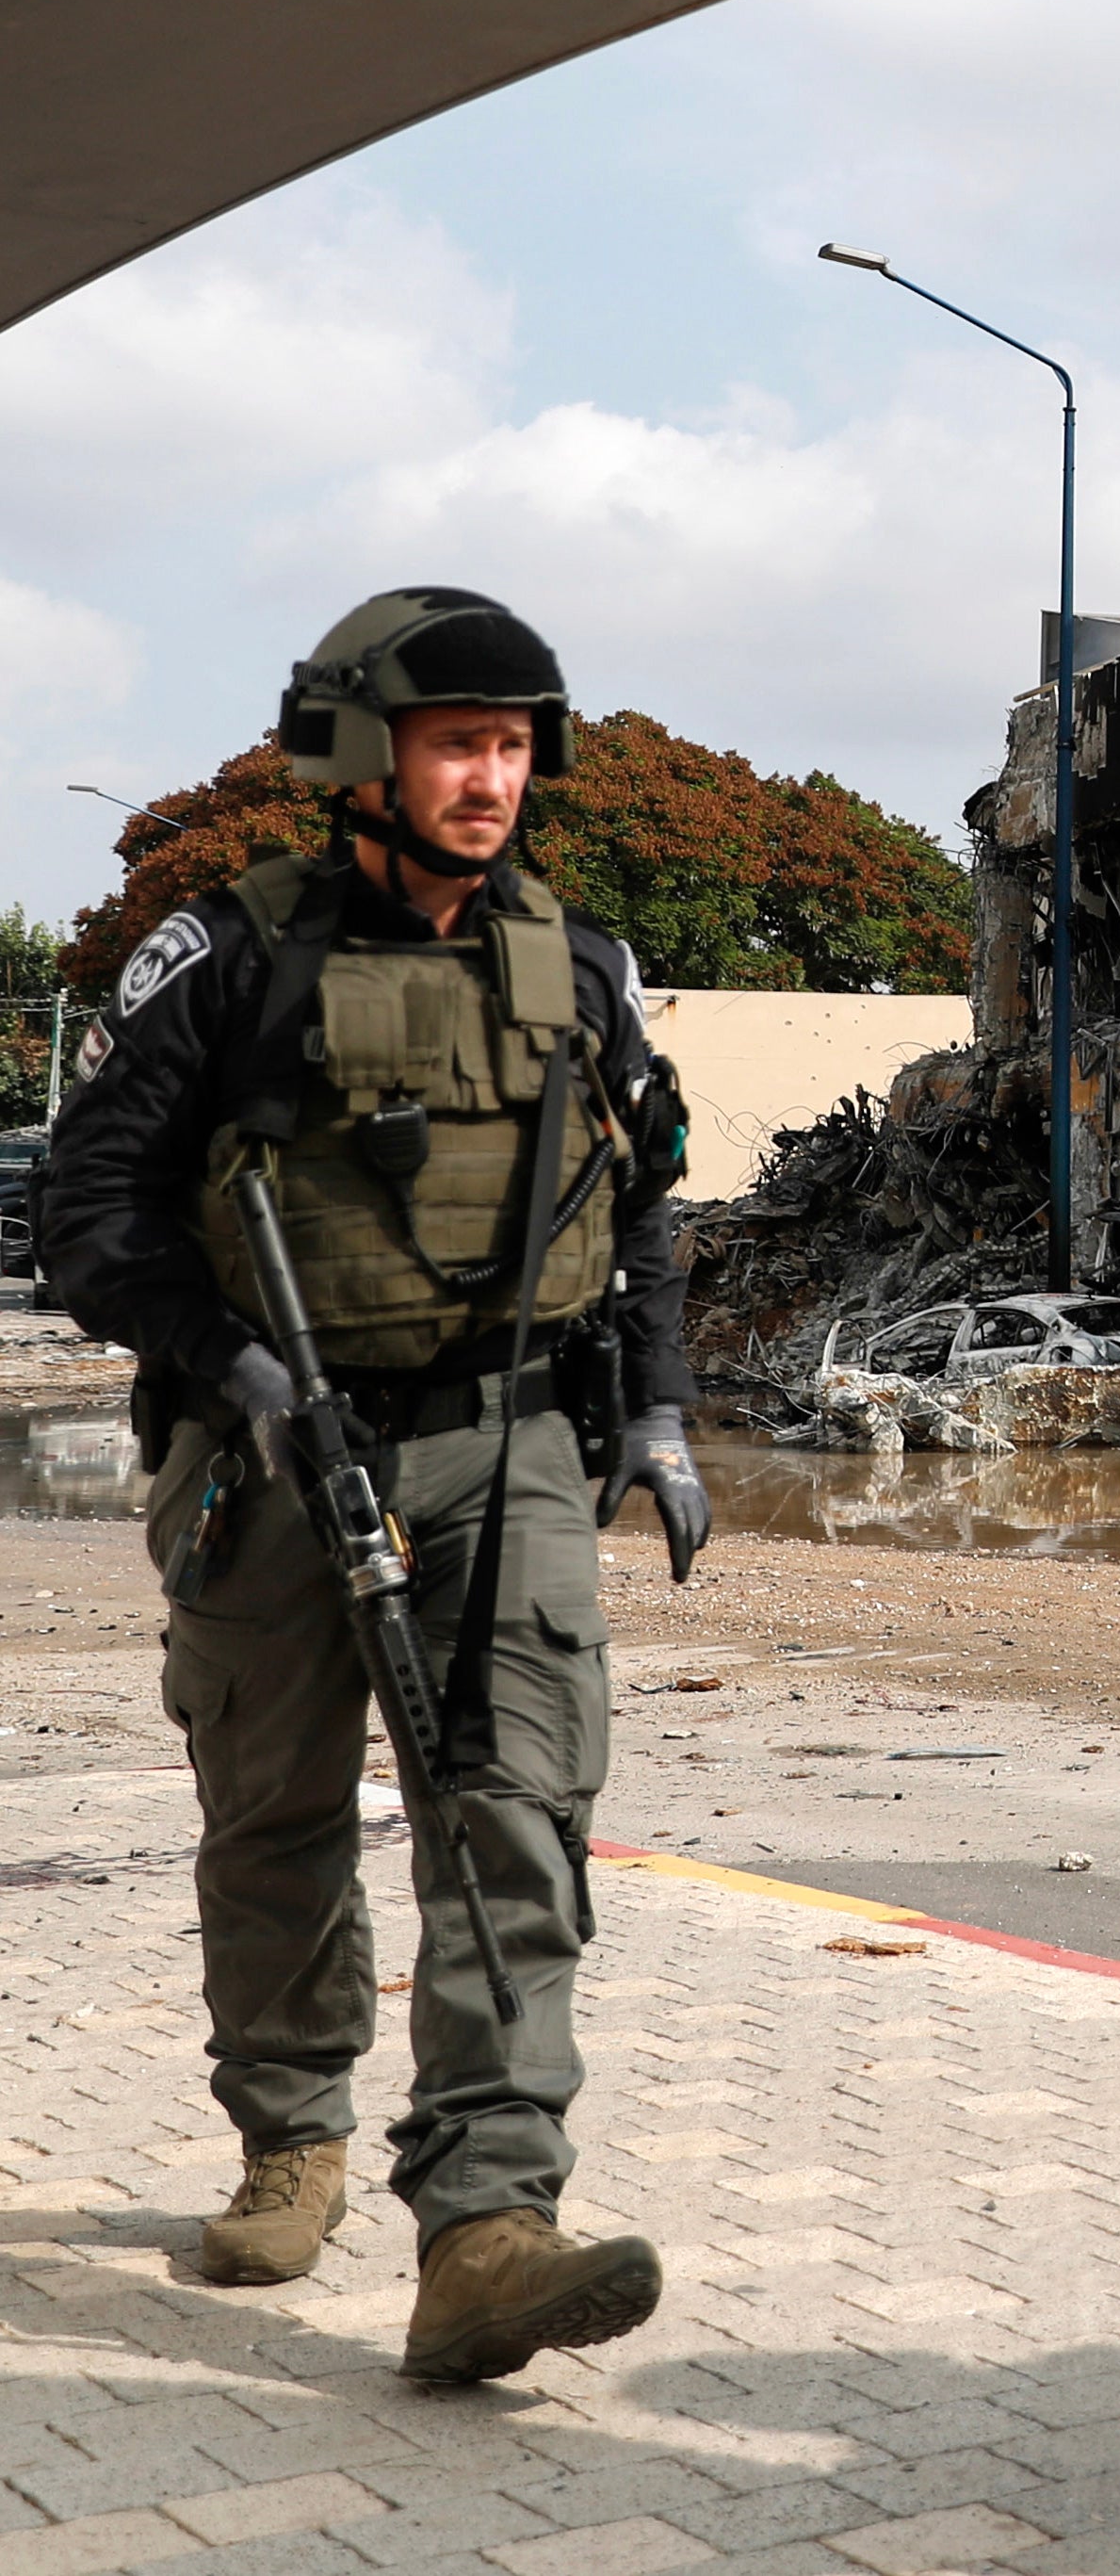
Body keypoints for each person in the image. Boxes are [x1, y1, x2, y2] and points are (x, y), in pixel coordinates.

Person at [41, 588, 709, 2384]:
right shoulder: (223, 957)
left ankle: (490, 2220)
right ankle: (291, 2129)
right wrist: (232, 1363)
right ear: (362, 759)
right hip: (270, 1448)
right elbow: (85, 1221)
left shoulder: (584, 963)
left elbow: (640, 1210)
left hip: (511, 1441)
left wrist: (656, 1417)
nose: (489, 781)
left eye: (510, 747)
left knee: (518, 1803)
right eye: (454, 745)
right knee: (279, 1818)